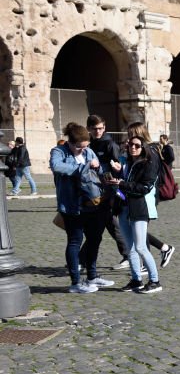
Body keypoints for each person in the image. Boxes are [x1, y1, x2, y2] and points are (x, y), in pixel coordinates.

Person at [50, 123, 117, 293]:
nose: (83, 150)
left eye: (86, 147)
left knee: (95, 239)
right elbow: (57, 166)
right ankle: (75, 282)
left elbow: (100, 169)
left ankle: (92, 276)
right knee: (75, 241)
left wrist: (100, 167)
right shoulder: (59, 151)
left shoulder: (88, 150)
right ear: (71, 143)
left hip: (93, 203)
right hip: (72, 205)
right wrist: (83, 167)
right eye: (79, 147)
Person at [108, 134, 162, 293]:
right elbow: (123, 185)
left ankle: (155, 281)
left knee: (140, 247)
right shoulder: (128, 162)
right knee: (130, 247)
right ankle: (136, 279)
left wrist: (122, 183)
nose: (132, 147)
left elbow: (144, 188)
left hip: (139, 209)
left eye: (137, 145)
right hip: (123, 207)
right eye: (130, 144)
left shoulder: (148, 164)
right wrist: (118, 175)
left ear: (143, 148)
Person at [125, 122, 176, 268]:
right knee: (138, 230)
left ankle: (148, 265)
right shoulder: (142, 149)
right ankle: (163, 249)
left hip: (148, 194)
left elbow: (148, 178)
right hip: (140, 192)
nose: (129, 139)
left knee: (139, 230)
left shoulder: (151, 151)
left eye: (131, 135)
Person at [87, 115, 132, 270]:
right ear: (89, 129)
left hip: (110, 190)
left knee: (108, 223)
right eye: (94, 129)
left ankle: (128, 254)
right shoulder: (89, 144)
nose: (97, 131)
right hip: (94, 189)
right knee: (99, 224)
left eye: (100, 128)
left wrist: (115, 190)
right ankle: (82, 258)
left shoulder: (110, 144)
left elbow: (118, 168)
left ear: (104, 127)